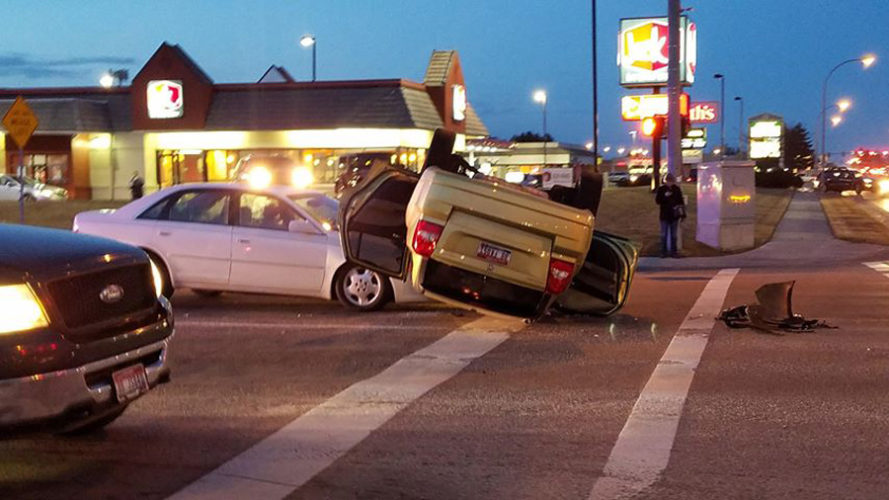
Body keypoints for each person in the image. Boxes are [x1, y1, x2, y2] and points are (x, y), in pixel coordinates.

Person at [655, 173, 685, 258]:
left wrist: (680, 210)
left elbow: (680, 201)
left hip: (674, 215)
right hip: (664, 215)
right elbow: (658, 201)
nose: (670, 183)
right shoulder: (662, 189)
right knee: (664, 234)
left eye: (671, 181)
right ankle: (663, 252)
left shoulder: (676, 189)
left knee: (674, 235)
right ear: (666, 181)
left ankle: (673, 252)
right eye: (668, 181)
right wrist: (665, 196)